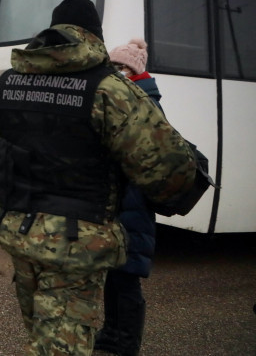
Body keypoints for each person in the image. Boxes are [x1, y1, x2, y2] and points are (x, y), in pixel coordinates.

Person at [0, 0, 196, 356]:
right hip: (77, 243)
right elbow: (169, 170)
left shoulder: (5, 86)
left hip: (19, 232)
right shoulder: (110, 90)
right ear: (95, 36)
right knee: (59, 346)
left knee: (42, 335)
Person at [94, 38, 161, 356]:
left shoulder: (146, 104)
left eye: (120, 67)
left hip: (134, 201)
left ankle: (127, 341)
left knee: (128, 275)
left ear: (133, 71)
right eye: (113, 66)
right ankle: (111, 333)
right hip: (120, 200)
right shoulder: (128, 99)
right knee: (114, 272)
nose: (115, 73)